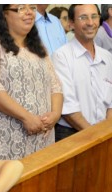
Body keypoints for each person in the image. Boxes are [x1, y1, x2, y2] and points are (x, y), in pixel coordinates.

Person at [0, 4, 63, 161]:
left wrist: (55, 114)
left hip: (42, 136)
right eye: (21, 8)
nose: (29, 12)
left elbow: (55, 86)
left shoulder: (38, 47)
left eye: (31, 8)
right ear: (5, 14)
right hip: (3, 137)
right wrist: (26, 117)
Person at [52, 4, 112, 142]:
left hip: (104, 134)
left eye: (94, 17)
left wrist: (106, 132)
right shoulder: (61, 57)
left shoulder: (107, 57)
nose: (90, 23)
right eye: (83, 17)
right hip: (72, 134)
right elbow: (68, 107)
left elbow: (110, 103)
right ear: (71, 23)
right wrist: (96, 135)